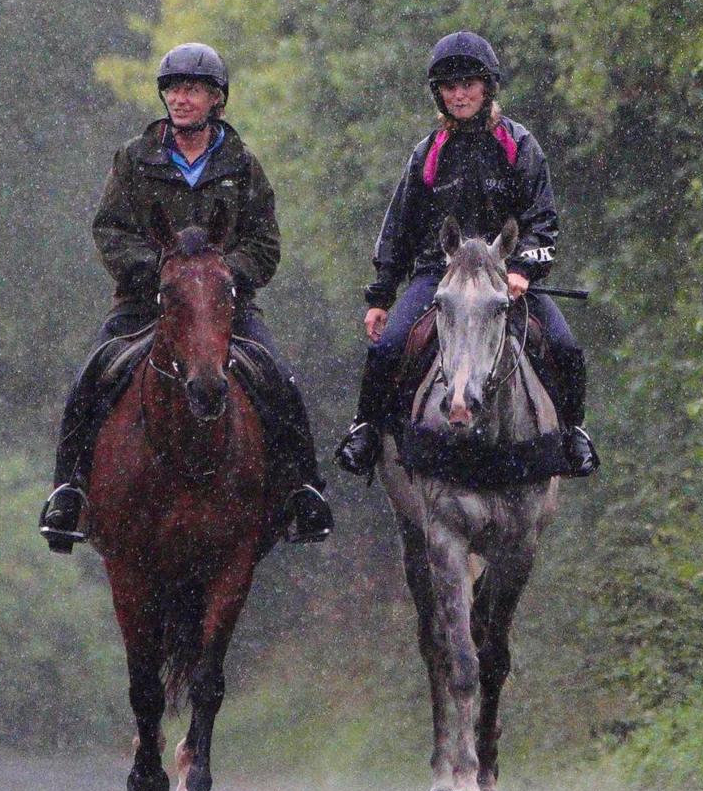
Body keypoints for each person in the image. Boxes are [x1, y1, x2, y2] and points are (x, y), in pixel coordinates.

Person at [38, 42, 335, 551]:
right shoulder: (135, 158)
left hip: (225, 308)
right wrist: (158, 271)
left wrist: (218, 276)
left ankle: (303, 491)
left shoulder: (242, 164)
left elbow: (265, 242)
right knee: (90, 375)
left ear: (217, 100)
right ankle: (68, 492)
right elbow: (109, 228)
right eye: (174, 89)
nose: (181, 99)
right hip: (143, 303)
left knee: (280, 379)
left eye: (193, 90)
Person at [335, 31, 598, 478]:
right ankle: (366, 430)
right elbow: (398, 228)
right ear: (438, 93)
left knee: (565, 347)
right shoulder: (428, 154)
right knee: (388, 349)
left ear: (488, 87)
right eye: (449, 86)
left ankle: (573, 432)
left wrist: (521, 268)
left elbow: (543, 220)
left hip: (507, 278)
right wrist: (381, 296)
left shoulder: (520, 146)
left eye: (468, 84)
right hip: (440, 278)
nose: (459, 94)